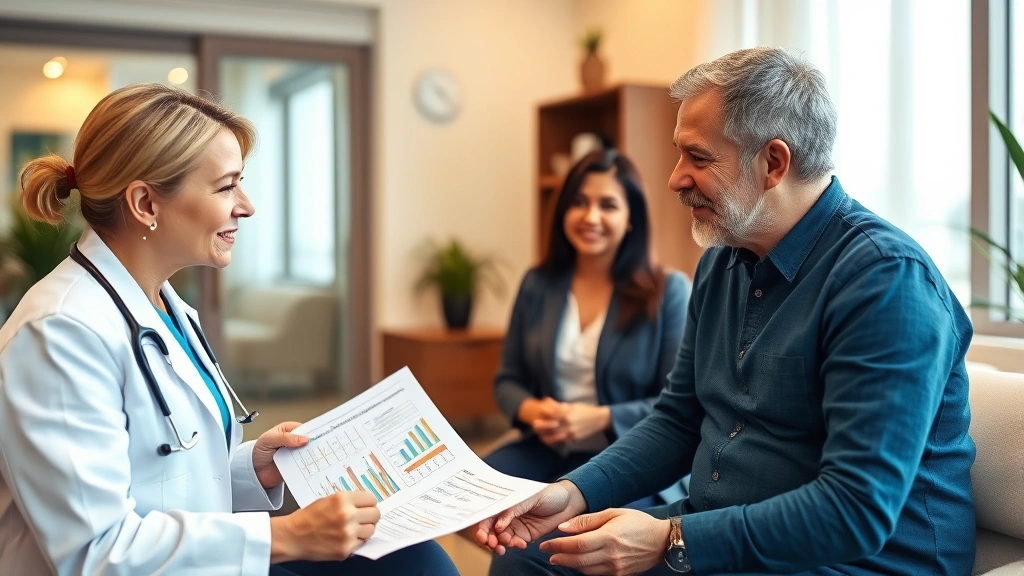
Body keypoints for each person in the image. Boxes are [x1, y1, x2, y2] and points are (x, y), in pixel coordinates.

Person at [477, 46, 975, 575]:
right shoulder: (722, 261)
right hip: (721, 524)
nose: (674, 178)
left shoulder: (885, 281)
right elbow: (677, 420)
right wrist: (576, 492)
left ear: (774, 163)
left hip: (861, 559)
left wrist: (671, 538)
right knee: (527, 561)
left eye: (699, 157)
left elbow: (856, 510)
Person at [0, 83, 459, 576]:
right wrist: (285, 535)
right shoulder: (59, 334)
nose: (247, 205)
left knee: (414, 557)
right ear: (145, 204)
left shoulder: (163, 307)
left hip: (204, 562)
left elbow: (167, 474)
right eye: (226, 186)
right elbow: (97, 552)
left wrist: (252, 466)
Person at [485, 149, 689, 507]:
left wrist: (599, 418)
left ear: (631, 219)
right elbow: (507, 380)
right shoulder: (538, 283)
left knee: (548, 542)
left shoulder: (668, 291)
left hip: (626, 454)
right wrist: (536, 411)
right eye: (579, 202)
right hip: (547, 446)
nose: (590, 217)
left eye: (608, 205)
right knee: (473, 502)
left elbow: (678, 404)